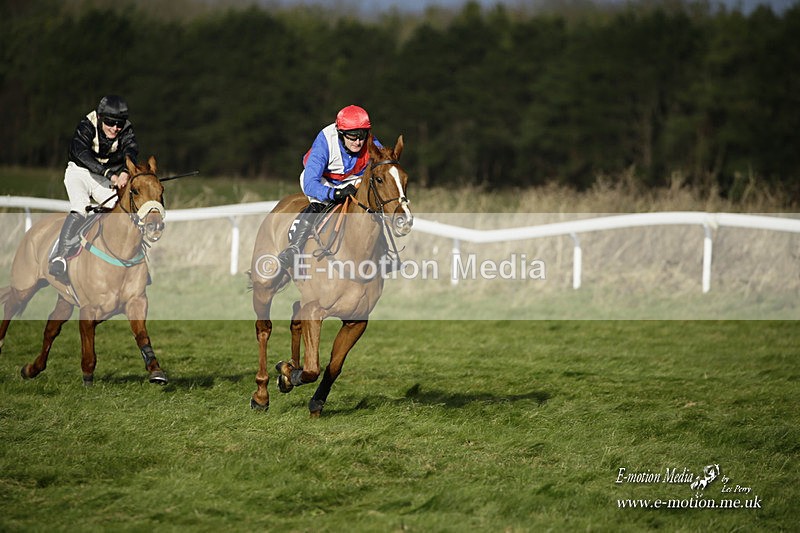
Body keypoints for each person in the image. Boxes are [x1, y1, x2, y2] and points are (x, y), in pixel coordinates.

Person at [277, 105, 381, 271]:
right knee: (319, 203)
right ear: (340, 133)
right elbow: (310, 183)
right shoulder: (325, 140)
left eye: (361, 135)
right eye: (352, 136)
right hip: (322, 180)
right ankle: (294, 248)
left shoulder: (370, 142)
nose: (358, 141)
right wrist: (334, 193)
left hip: (351, 179)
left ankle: (384, 254)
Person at [48, 95, 139, 278]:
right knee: (81, 208)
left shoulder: (126, 129)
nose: (115, 128)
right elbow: (80, 153)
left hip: (103, 177)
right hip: (79, 173)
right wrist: (110, 174)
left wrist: (125, 171)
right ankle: (60, 256)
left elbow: (131, 150)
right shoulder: (87, 125)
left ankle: (126, 258)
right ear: (100, 117)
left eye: (119, 124)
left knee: (119, 208)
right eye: (110, 123)